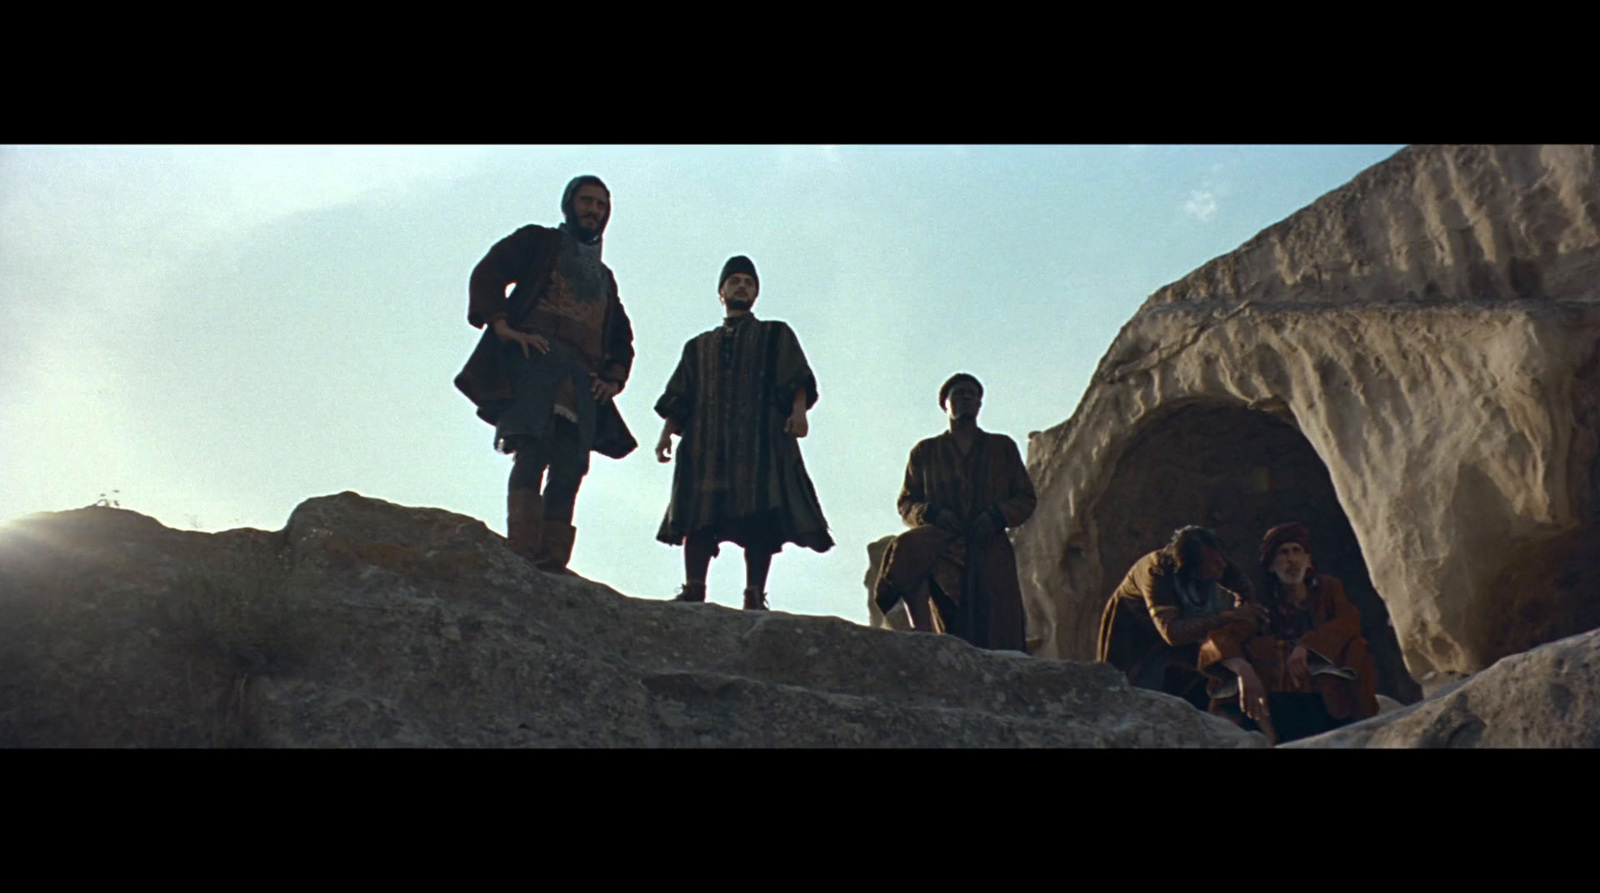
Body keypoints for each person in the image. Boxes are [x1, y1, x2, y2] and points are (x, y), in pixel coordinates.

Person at [453, 175, 636, 575]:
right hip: (535, 362)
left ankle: (552, 558)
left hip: (582, 379)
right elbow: (489, 272)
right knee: (533, 449)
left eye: (602, 205)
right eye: (587, 201)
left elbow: (620, 337)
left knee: (571, 466)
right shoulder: (538, 242)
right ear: (569, 205)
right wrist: (501, 324)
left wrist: (613, 379)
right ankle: (522, 547)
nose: (594, 210)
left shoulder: (604, 278)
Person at [654, 256, 832, 609]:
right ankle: (694, 589)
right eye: (734, 281)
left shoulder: (775, 334)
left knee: (760, 514)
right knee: (698, 514)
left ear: (756, 293)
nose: (741, 287)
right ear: (721, 292)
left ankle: (754, 595)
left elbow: (796, 378)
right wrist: (665, 435)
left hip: (760, 441)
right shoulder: (698, 346)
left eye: (749, 283)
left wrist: (799, 414)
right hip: (706, 442)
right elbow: (681, 396)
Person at [873, 374, 1037, 651]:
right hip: (944, 538)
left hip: (987, 542)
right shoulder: (925, 452)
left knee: (997, 626)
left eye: (972, 394)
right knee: (909, 548)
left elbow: (1024, 497)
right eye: (959, 393)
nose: (967, 399)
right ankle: (923, 635)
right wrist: (932, 513)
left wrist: (996, 516)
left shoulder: (1001, 447)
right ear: (944, 404)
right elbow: (907, 502)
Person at [1198, 522, 1381, 744]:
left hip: (1327, 694)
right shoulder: (1262, 603)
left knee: (1356, 647)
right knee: (1260, 649)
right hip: (1280, 701)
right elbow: (1220, 638)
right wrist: (1243, 670)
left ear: (1308, 560)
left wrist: (1306, 646)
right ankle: (1269, 735)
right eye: (1283, 553)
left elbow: (1348, 621)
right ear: (1271, 564)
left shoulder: (1327, 590)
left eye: (1297, 551)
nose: (1291, 560)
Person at [1096, 527, 1263, 710]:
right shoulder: (1156, 571)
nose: (1222, 565)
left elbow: (1245, 591)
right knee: (1137, 701)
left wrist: (1237, 626)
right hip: (1139, 642)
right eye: (1214, 563)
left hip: (1190, 637)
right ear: (1193, 568)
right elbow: (1172, 633)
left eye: (1221, 559)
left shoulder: (1215, 560)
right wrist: (1226, 616)